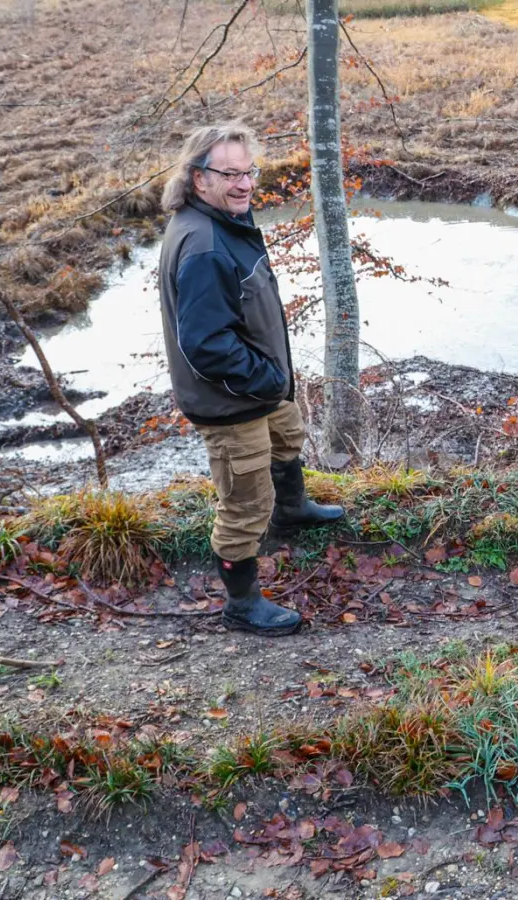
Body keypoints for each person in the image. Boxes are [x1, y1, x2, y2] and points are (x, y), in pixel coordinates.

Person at [157, 122, 344, 637]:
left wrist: (272, 379)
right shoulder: (204, 244)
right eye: (229, 174)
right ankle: (242, 604)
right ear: (199, 178)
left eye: (248, 172)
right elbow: (206, 344)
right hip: (231, 400)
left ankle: (292, 510)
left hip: (261, 387)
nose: (243, 184)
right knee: (243, 502)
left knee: (287, 438)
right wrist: (264, 376)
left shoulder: (224, 220)